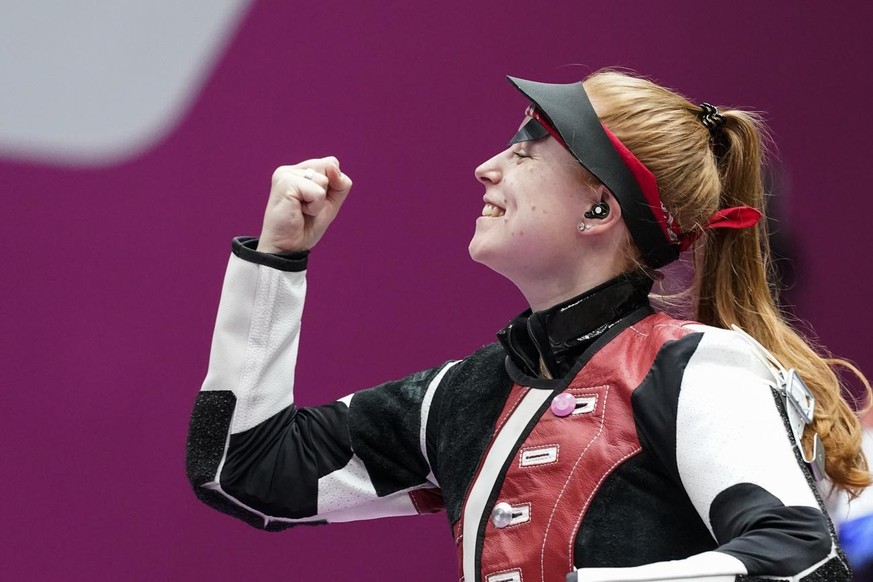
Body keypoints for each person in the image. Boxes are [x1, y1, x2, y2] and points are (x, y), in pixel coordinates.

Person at [186, 70, 872, 581]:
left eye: (523, 150)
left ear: (599, 211)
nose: (485, 168)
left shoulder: (693, 366)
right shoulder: (463, 396)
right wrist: (276, 261)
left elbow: (797, 560)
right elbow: (242, 469)